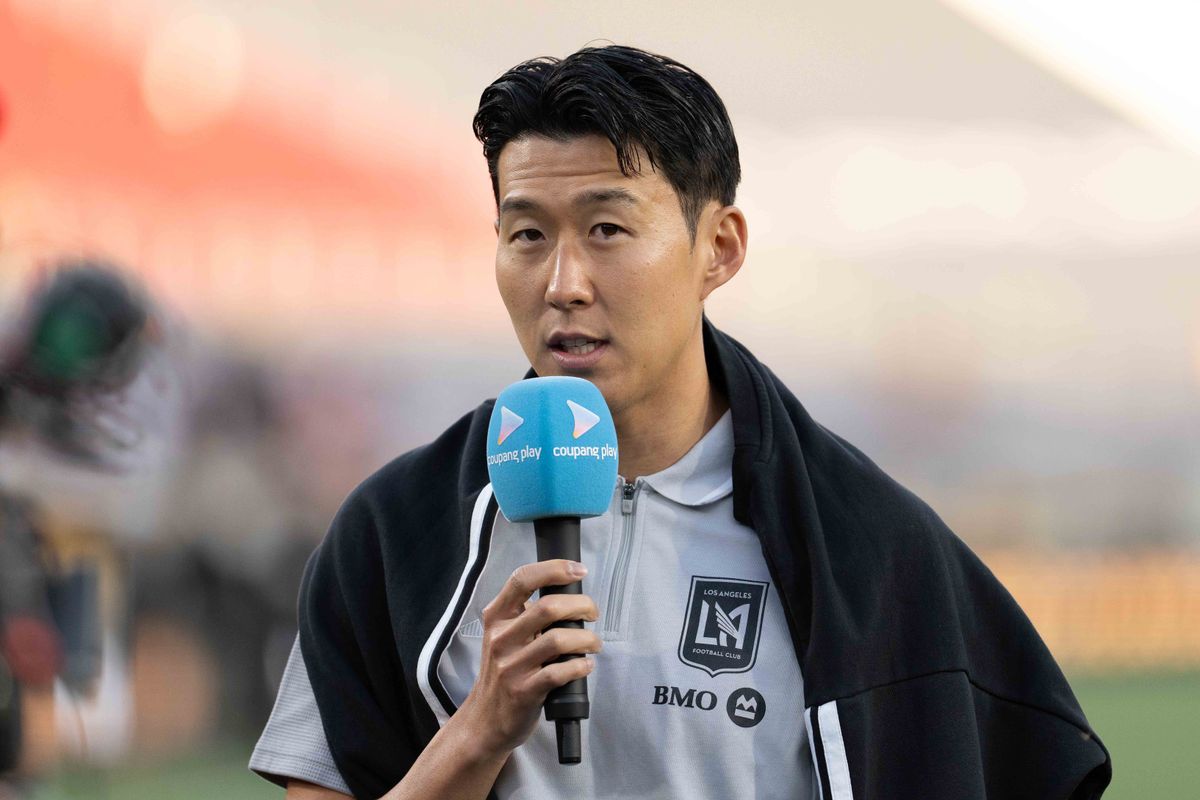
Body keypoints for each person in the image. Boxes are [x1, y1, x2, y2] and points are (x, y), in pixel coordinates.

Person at [250, 45, 1111, 800]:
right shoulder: (391, 535)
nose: (564, 282)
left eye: (608, 228)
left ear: (720, 249)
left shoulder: (873, 549)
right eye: (526, 236)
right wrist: (479, 730)